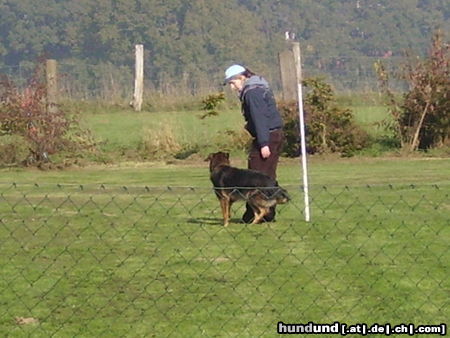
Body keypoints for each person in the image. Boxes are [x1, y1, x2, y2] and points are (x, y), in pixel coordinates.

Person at [223, 64, 284, 223]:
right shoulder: (259, 86)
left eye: (232, 82)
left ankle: (256, 214)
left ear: (242, 77)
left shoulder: (252, 93)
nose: (232, 87)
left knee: (254, 178)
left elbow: (260, 119)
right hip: (273, 134)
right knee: (267, 175)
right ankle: (267, 214)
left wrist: (264, 143)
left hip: (267, 136)